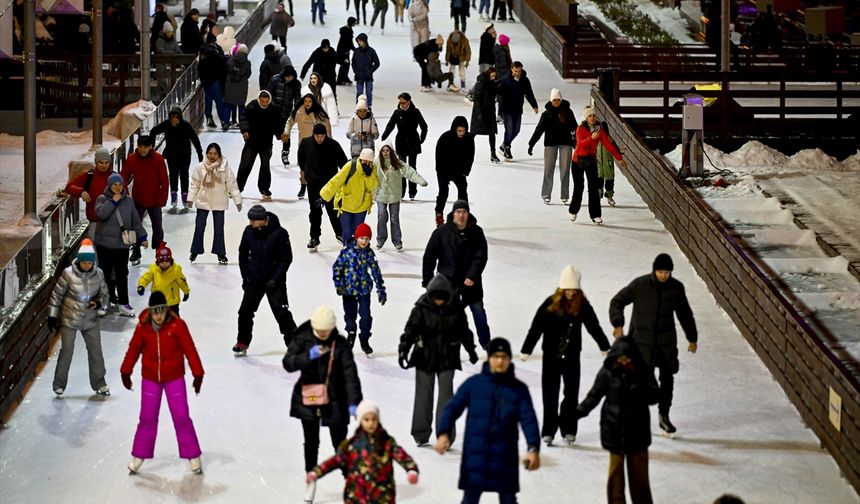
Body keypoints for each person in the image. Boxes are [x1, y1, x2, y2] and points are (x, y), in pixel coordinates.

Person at [435, 337, 541, 504]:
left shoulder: (518, 389)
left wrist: (533, 447)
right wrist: (443, 433)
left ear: (509, 360)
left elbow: (529, 420)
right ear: (489, 358)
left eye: (504, 357)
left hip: (505, 456)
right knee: (470, 498)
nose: (500, 361)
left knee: (508, 499)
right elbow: (452, 408)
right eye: (496, 356)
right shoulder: (474, 384)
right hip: (476, 455)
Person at [520, 265, 610, 446]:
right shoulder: (550, 304)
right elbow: (536, 327)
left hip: (571, 356)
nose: (571, 292)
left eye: (574, 289)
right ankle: (549, 430)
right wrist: (527, 348)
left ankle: (569, 428)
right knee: (550, 394)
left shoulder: (582, 305)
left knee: (571, 393)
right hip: (551, 356)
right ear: (561, 289)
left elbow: (593, 325)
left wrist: (604, 346)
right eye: (568, 289)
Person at [609, 253, 698, 436]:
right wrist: (618, 323)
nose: (663, 276)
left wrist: (692, 337)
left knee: (668, 380)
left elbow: (685, 314)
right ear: (654, 270)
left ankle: (664, 416)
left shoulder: (676, 288)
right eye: (660, 272)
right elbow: (617, 302)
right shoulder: (640, 285)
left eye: (667, 272)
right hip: (642, 343)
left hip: (665, 344)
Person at [283, 306, 363, 504]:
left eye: (326, 332)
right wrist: (307, 357)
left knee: (341, 444)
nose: (323, 335)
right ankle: (311, 479)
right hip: (308, 398)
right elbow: (288, 363)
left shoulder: (340, 344)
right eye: (320, 332)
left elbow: (350, 374)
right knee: (311, 443)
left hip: (336, 399)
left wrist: (354, 403)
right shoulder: (302, 338)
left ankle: (349, 481)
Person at [121, 290, 205, 476]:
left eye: (162, 311)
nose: (159, 316)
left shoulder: (177, 326)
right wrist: (126, 370)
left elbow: (190, 350)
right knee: (147, 418)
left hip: (174, 378)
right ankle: (139, 455)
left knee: (181, 416)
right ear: (150, 311)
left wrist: (197, 373)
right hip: (151, 379)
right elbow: (133, 349)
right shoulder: (143, 327)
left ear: (167, 310)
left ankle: (193, 456)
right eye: (155, 311)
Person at [575, 337, 658, 504]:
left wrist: (639, 385)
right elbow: (593, 396)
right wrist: (576, 413)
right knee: (615, 480)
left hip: (638, 434)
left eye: (627, 358)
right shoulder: (607, 372)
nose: (624, 361)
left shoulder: (643, 370)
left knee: (640, 481)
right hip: (614, 432)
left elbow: (654, 396)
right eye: (620, 358)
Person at [399, 274, 478, 446]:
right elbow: (411, 329)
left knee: (446, 397)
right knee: (423, 396)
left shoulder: (455, 308)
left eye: (442, 298)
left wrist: (471, 350)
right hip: (424, 357)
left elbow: (464, 330)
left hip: (447, 357)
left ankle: (445, 434)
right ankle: (420, 433)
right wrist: (403, 349)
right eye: (436, 297)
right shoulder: (421, 308)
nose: (439, 301)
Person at [307, 400, 419, 504]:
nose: (370, 423)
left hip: (382, 496)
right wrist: (317, 472)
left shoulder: (386, 442)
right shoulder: (351, 445)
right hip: (356, 497)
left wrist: (411, 470)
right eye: (367, 419)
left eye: (374, 419)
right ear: (360, 421)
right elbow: (335, 460)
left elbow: (401, 455)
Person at [422, 200, 491, 349]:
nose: (461, 215)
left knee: (478, 311)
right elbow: (429, 257)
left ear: (468, 214)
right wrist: (428, 281)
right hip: (448, 282)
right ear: (453, 214)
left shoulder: (476, 232)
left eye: (464, 212)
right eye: (458, 212)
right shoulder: (441, 232)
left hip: (470, 282)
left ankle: (486, 343)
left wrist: (472, 276)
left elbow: (481, 256)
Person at [47, 239, 111, 396]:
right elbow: (56, 296)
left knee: (96, 351)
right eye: (84, 263)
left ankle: (99, 383)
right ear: (79, 262)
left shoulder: (99, 274)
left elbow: (105, 295)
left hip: (90, 319)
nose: (87, 265)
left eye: (90, 263)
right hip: (70, 318)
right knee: (67, 351)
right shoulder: (68, 274)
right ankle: (59, 384)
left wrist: (98, 303)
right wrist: (52, 316)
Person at [235, 204, 297, 355]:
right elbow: (243, 253)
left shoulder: (280, 233)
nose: (251, 223)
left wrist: (275, 280)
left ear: (263, 220)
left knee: (281, 313)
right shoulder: (249, 231)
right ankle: (242, 341)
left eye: (253, 221)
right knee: (245, 312)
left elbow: (286, 258)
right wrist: (246, 276)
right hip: (254, 279)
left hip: (274, 281)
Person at [94, 173, 149, 317]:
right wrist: (113, 202)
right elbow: (101, 214)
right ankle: (106, 301)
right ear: (109, 186)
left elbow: (136, 221)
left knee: (121, 274)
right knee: (105, 274)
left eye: (120, 184)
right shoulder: (102, 199)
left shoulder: (129, 201)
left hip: (121, 245)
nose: (118, 187)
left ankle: (123, 302)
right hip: (104, 245)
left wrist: (142, 236)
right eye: (114, 185)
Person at [333, 222, 386, 355]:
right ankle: (351, 334)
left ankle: (364, 339)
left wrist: (381, 290)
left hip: (364, 290)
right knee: (350, 316)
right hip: (348, 290)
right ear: (356, 238)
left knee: (366, 316)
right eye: (362, 238)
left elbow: (375, 272)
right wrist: (339, 285)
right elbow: (337, 268)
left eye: (367, 239)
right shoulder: (347, 251)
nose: (364, 241)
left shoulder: (369, 253)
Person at [187, 143, 242, 264]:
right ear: (207, 154)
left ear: (219, 154)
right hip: (203, 201)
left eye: (215, 154)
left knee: (219, 229)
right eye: (210, 153)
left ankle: (220, 253)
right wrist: (190, 198)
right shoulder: (200, 167)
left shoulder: (224, 168)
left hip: (219, 202)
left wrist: (237, 199)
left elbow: (232, 184)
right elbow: (195, 184)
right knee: (199, 227)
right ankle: (195, 251)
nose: (212, 156)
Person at [570, 105, 626, 225]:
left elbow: (608, 144)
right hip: (578, 161)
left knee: (594, 188)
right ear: (586, 117)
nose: (592, 117)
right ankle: (574, 210)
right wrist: (591, 138)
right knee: (579, 187)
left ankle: (595, 215)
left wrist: (619, 157)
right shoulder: (580, 129)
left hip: (591, 160)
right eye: (589, 115)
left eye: (594, 115)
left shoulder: (598, 128)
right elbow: (579, 145)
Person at [298, 123, 348, 250]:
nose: (319, 138)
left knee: (333, 210)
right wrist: (308, 174)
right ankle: (314, 237)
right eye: (317, 136)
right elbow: (301, 160)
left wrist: (345, 180)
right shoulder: (306, 143)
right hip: (313, 184)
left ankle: (340, 234)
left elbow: (343, 163)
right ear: (313, 135)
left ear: (325, 135)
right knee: (315, 211)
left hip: (330, 184)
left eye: (322, 136)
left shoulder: (333, 145)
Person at [120, 134, 168, 267]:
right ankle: (135, 249)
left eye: (145, 147)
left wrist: (162, 199)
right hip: (137, 198)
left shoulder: (158, 159)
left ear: (151, 147)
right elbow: (123, 177)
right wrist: (125, 195)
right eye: (140, 147)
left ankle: (159, 250)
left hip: (154, 199)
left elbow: (164, 181)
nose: (142, 150)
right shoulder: (131, 159)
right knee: (133, 225)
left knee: (157, 226)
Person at [373, 143, 427, 250]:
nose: (385, 153)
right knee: (381, 214)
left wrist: (421, 181)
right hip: (381, 194)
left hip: (394, 194)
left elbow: (410, 172)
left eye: (387, 150)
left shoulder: (397, 163)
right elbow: (367, 173)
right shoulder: (376, 163)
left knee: (394, 218)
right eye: (383, 151)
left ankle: (397, 241)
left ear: (391, 151)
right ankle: (381, 238)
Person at [527, 88, 577, 205]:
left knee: (565, 170)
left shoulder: (568, 112)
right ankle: (546, 194)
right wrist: (531, 144)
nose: (556, 102)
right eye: (554, 99)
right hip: (550, 144)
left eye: (558, 99)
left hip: (566, 143)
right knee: (548, 169)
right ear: (551, 100)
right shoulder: (546, 114)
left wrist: (577, 143)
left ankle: (564, 195)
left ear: (561, 99)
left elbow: (575, 128)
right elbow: (539, 130)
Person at [319, 148, 380, 243]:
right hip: (345, 204)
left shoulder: (373, 168)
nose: (367, 163)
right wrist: (324, 196)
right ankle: (347, 254)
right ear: (360, 159)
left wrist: (369, 175)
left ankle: (356, 254)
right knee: (347, 232)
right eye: (364, 160)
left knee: (357, 233)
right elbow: (336, 180)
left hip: (362, 205)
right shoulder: (351, 166)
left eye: (369, 162)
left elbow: (373, 186)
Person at [150, 107, 204, 214]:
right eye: (172, 117)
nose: (174, 120)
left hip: (184, 155)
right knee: (173, 174)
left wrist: (200, 153)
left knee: (184, 174)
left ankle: (185, 195)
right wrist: (151, 148)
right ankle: (173, 194)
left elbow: (194, 138)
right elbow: (153, 131)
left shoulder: (185, 126)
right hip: (171, 155)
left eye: (176, 117)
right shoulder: (166, 125)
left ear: (180, 117)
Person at [236, 90, 285, 201]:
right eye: (262, 101)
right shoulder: (252, 106)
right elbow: (243, 118)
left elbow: (277, 124)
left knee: (265, 166)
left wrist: (280, 135)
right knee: (245, 165)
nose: (264, 103)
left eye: (266, 101)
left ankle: (264, 188)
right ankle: (238, 188)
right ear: (259, 99)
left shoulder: (273, 109)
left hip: (266, 144)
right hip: (251, 143)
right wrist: (244, 130)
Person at [381, 93, 428, 200]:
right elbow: (390, 125)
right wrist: (384, 137)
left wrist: (422, 139)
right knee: (401, 168)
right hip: (401, 143)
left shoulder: (416, 112)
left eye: (403, 102)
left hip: (413, 143)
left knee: (412, 168)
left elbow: (424, 126)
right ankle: (401, 192)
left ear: (409, 101)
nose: (401, 105)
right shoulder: (397, 113)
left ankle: (412, 191)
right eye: (400, 103)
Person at [286, 94, 332, 199]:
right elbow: (289, 122)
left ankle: (319, 188)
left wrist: (329, 138)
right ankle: (303, 186)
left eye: (309, 101)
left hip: (316, 144)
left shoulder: (318, 113)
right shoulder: (299, 112)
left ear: (313, 102)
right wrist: (286, 132)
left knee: (317, 166)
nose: (307, 103)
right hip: (303, 145)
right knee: (303, 167)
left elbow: (327, 124)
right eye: (305, 101)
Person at [65, 147, 115, 237]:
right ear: (96, 163)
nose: (104, 166)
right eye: (101, 163)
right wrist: (81, 192)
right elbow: (69, 187)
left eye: (106, 163)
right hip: (94, 222)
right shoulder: (89, 176)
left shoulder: (115, 177)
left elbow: (126, 198)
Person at [433, 116, 474, 225]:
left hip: (458, 171)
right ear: (454, 129)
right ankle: (439, 214)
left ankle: (464, 216)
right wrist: (441, 173)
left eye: (464, 131)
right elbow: (439, 157)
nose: (461, 133)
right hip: (444, 170)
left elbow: (470, 156)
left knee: (463, 192)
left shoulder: (469, 138)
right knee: (443, 192)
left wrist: (466, 171)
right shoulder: (445, 138)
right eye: (459, 130)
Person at [497, 61, 538, 161]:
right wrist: (500, 112)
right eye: (515, 71)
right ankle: (507, 148)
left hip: (518, 109)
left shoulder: (525, 80)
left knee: (517, 130)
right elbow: (500, 96)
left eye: (519, 71)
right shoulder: (506, 80)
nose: (517, 73)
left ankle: (505, 144)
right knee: (509, 129)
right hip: (507, 110)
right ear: (512, 70)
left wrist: (534, 105)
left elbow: (529, 93)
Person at [136, 242, 190, 316]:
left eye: (167, 260)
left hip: (172, 302)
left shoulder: (176, 269)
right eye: (162, 261)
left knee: (174, 321)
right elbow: (146, 277)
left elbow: (182, 282)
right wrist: (141, 285)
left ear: (170, 260)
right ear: (158, 261)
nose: (164, 263)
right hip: (158, 302)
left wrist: (186, 292)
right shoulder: (154, 269)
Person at [267, 65, 303, 166]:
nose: (289, 79)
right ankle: (267, 153)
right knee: (270, 134)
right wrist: (271, 106)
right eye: (287, 76)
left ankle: (285, 153)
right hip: (272, 113)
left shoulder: (296, 84)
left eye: (291, 77)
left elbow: (298, 99)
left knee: (286, 133)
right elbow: (268, 94)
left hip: (286, 113)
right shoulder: (275, 80)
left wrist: (295, 111)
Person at [470, 67, 500, 163]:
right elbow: (476, 99)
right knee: (473, 133)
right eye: (492, 76)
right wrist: (480, 113)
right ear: (488, 75)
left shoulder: (493, 84)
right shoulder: (481, 84)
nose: (493, 78)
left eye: (495, 76)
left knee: (492, 133)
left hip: (490, 112)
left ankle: (493, 153)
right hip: (480, 113)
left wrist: (499, 86)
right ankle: (466, 152)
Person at [198, 42, 230, 130]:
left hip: (205, 82)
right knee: (219, 101)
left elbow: (199, 69)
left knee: (208, 100)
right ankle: (223, 120)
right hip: (214, 81)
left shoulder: (203, 56)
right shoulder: (213, 53)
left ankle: (209, 118)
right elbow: (222, 60)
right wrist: (229, 57)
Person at [224, 44, 252, 129]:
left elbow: (226, 70)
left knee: (228, 104)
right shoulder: (247, 63)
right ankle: (242, 122)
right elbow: (248, 74)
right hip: (242, 86)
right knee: (241, 106)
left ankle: (225, 122)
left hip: (230, 86)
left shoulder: (230, 60)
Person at [596, 120, 622, 207]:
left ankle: (609, 196)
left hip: (608, 163)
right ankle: (598, 196)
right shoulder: (596, 139)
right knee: (599, 179)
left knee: (609, 179)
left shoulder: (609, 139)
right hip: (598, 163)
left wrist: (620, 152)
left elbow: (615, 149)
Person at [351, 33, 380, 107]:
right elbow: (353, 62)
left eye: (360, 41)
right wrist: (356, 71)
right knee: (359, 92)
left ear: (365, 41)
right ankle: (358, 106)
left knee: (369, 92)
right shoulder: (356, 51)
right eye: (358, 41)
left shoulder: (371, 51)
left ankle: (369, 106)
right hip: (359, 75)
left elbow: (377, 63)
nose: (359, 42)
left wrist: (370, 71)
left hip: (368, 76)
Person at [336, 17, 359, 86]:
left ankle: (344, 78)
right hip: (343, 51)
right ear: (352, 22)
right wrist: (354, 49)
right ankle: (340, 80)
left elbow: (349, 42)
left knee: (345, 65)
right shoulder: (347, 31)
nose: (355, 23)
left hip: (344, 50)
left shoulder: (348, 29)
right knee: (345, 65)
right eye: (355, 22)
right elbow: (348, 42)